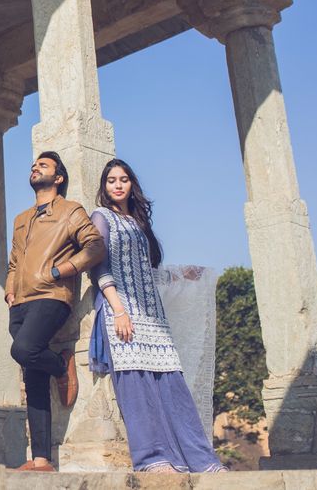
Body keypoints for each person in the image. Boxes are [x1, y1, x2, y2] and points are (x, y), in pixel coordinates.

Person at [88, 158, 227, 473]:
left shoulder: (139, 223)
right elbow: (98, 266)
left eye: (124, 179)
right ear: (104, 186)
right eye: (112, 180)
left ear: (131, 184)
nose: (118, 185)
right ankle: (152, 458)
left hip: (152, 313)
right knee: (135, 385)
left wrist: (184, 275)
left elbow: (150, 271)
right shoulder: (101, 216)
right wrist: (119, 311)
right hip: (119, 309)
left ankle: (201, 460)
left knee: (171, 384)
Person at [5, 151, 106, 472]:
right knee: (32, 377)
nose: (35, 167)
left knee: (23, 349)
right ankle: (41, 460)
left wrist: (62, 271)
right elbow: (14, 261)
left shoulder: (69, 210)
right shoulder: (21, 219)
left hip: (51, 296)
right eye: (33, 165)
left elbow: (95, 245)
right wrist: (9, 288)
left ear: (58, 178)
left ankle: (62, 367)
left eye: (43, 165)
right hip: (19, 301)